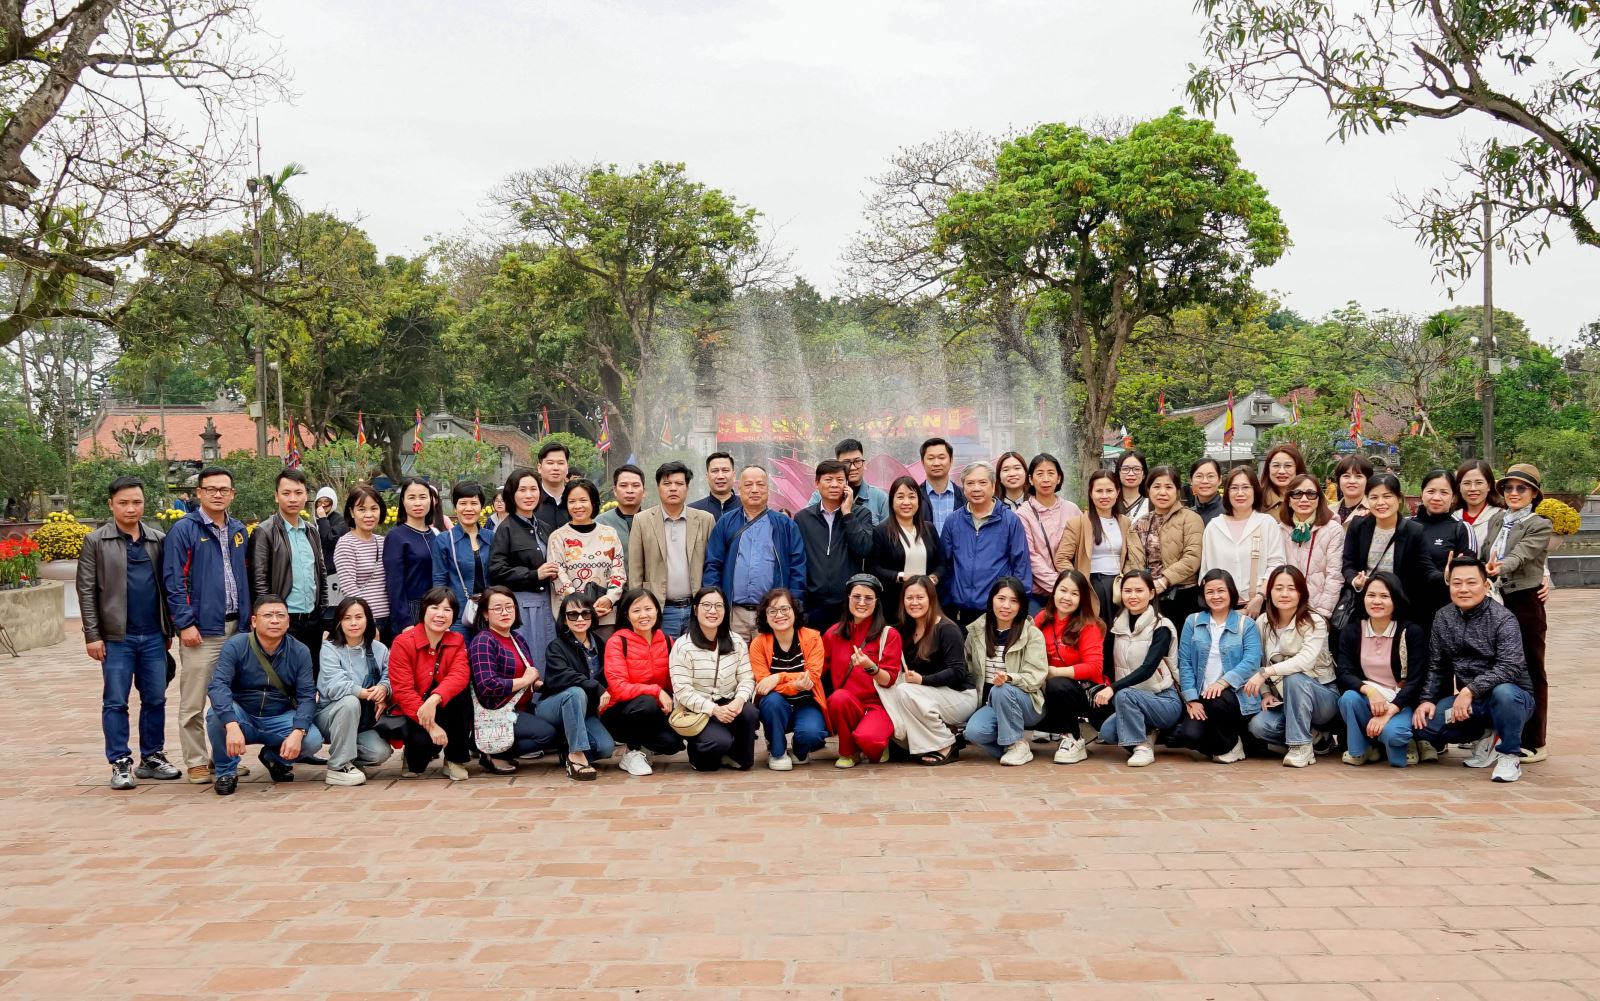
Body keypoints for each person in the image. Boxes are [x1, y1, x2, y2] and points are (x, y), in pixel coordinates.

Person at [78, 475, 178, 789]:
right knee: (115, 701)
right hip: (115, 638)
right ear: (111, 505)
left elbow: (168, 587)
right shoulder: (96, 541)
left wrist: (168, 628)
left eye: (136, 502)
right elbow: (86, 591)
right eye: (123, 503)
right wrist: (93, 635)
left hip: (153, 635)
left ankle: (152, 756)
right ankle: (120, 761)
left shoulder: (157, 540)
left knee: (155, 698)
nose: (131, 508)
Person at [163, 464, 251, 784]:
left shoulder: (239, 530)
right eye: (211, 489)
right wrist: (185, 623)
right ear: (199, 492)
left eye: (223, 489)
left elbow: (247, 577)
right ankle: (196, 761)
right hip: (202, 631)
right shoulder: (184, 530)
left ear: (232, 494)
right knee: (194, 701)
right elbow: (174, 581)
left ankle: (224, 760)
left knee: (229, 699)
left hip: (236, 629)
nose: (217, 494)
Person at [1413, 557, 1536, 783]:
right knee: (1425, 726)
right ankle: (1486, 735)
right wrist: (1427, 699)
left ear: (1485, 585)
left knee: (1504, 694)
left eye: (1471, 582)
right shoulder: (1443, 617)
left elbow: (1510, 666)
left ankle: (1509, 755)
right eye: (1457, 583)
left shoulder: (1503, 618)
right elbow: (1437, 664)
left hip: (1512, 698)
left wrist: (1470, 690)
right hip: (1473, 702)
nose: (1464, 589)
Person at [206, 594, 324, 795]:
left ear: (288, 621)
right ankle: (226, 771)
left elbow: (307, 696)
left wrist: (298, 732)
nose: (275, 620)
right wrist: (231, 725)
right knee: (216, 715)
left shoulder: (300, 651)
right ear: (254, 621)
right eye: (268, 615)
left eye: (280, 615)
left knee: (312, 739)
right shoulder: (236, 645)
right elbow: (218, 686)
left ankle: (274, 758)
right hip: (243, 714)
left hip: (279, 716)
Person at [1480, 463, 1553, 762]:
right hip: (1494, 598)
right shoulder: (1498, 519)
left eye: (1521, 488)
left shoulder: (1540, 524)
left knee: (1531, 668)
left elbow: (1523, 553)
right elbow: (1485, 552)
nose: (1513, 493)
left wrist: (1500, 567)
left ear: (1533, 493)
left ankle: (1535, 741)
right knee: (1495, 665)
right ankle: (1498, 735)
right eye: (1508, 488)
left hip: (1524, 600)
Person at [879, 574, 976, 765]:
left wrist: (923, 680)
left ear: (931, 599)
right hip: (929, 694)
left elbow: (957, 672)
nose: (914, 602)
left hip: (960, 696)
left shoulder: (947, 628)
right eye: (909, 598)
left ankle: (947, 743)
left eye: (920, 597)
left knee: (905, 691)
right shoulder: (905, 630)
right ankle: (911, 744)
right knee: (890, 690)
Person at [1334, 572, 1429, 767]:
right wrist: (1370, 691)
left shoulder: (1411, 632)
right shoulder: (1352, 631)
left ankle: (1402, 740)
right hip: (1369, 700)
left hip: (1399, 702)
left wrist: (1388, 713)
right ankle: (1363, 750)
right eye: (1371, 595)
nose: (1376, 601)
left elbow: (1416, 681)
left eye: (1384, 596)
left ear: (1396, 599)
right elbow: (1344, 673)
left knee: (1395, 741)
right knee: (1349, 698)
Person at [703, 466, 807, 641]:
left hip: (772, 614)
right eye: (748, 485)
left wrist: (792, 606)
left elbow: (798, 568)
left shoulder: (785, 525)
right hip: (734, 613)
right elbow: (713, 564)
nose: (754, 489)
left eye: (760, 484)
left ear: (768, 489)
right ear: (739, 489)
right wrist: (715, 603)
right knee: (733, 657)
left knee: (769, 658)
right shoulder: (726, 522)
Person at [1248, 566, 1338, 767]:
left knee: (1295, 677)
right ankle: (1316, 737)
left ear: (1301, 593)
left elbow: (1305, 660)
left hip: (1322, 695)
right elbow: (1258, 661)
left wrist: (1266, 673)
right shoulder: (1263, 622)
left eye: (1291, 588)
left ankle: (1301, 746)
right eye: (1278, 588)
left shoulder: (1315, 621)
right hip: (1284, 699)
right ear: (1270, 592)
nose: (1284, 594)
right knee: (1259, 726)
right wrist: (1265, 692)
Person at [465, 584, 558, 774]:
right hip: (498, 711)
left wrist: (544, 685)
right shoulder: (484, 640)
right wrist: (525, 681)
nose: (505, 612)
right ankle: (492, 750)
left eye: (509, 607)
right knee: (547, 735)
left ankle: (499, 747)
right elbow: (487, 686)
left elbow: (529, 680)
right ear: (485, 614)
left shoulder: (517, 639)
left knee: (560, 727)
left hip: (522, 707)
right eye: (497, 608)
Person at [1171, 569, 1261, 764]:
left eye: (1221, 590)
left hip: (1235, 696)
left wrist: (1223, 682)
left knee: (1216, 700)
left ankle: (1230, 744)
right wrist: (1192, 699)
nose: (1215, 596)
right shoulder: (1192, 621)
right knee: (1187, 736)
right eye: (1210, 591)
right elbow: (1185, 662)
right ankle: (1234, 742)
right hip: (1202, 697)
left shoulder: (1246, 624)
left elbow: (1252, 661)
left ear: (1231, 592)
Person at [1093, 570, 1181, 767]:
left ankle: (1142, 747)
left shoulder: (1162, 626)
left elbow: (1148, 669)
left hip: (1164, 700)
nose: (1133, 596)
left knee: (1123, 694)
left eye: (1139, 590)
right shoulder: (1118, 625)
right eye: (1128, 591)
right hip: (1132, 701)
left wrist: (1112, 688)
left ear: (1151, 593)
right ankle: (1150, 732)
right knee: (1107, 732)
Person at [962, 576, 1049, 765]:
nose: (1006, 606)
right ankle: (1016, 747)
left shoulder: (1031, 633)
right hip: (991, 703)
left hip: (1028, 702)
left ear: (1021, 605)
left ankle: (1015, 744)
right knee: (974, 732)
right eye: (1001, 598)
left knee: (1001, 690)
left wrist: (1009, 678)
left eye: (1013, 601)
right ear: (991, 600)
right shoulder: (976, 631)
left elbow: (1036, 676)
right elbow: (968, 670)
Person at [249, 468, 328, 674]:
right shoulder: (264, 531)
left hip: (312, 619)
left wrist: (322, 609)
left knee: (311, 675)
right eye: (286, 493)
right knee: (282, 676)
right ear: (276, 496)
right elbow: (259, 581)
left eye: (298, 492)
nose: (293, 498)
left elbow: (320, 572)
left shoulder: (311, 530)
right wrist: (269, 617)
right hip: (283, 619)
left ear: (306, 496)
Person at [390, 586, 473, 780]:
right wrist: (431, 726)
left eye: (447, 609)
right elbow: (403, 691)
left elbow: (460, 674)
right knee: (418, 761)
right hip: (413, 710)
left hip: (441, 706)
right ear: (424, 610)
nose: (440, 614)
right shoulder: (403, 642)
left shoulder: (457, 640)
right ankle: (412, 754)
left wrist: (434, 699)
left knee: (461, 695)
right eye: (435, 607)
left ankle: (454, 759)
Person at [670, 587, 757, 772]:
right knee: (714, 753)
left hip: (728, 703)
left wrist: (739, 700)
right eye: (706, 605)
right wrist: (714, 710)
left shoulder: (736, 641)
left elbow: (747, 678)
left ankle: (732, 753)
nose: (713, 611)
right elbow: (683, 691)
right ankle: (698, 753)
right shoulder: (683, 646)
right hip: (697, 710)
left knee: (749, 712)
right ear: (695, 609)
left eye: (719, 606)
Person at [629, 461, 715, 640]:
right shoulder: (642, 520)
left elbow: (712, 565)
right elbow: (636, 569)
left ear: (687, 487)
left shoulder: (705, 520)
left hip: (696, 609)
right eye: (667, 484)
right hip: (660, 610)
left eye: (679, 483)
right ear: (658, 487)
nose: (673, 488)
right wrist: (638, 607)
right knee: (662, 656)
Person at [823, 574, 903, 768]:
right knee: (837, 698)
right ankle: (849, 752)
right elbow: (818, 671)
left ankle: (874, 742)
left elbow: (889, 680)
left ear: (876, 602)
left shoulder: (889, 634)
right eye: (856, 597)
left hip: (879, 705)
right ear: (848, 599)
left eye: (868, 598)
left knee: (870, 741)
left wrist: (870, 666)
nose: (861, 602)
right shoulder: (833, 633)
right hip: (848, 705)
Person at [603, 589, 684, 775]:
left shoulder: (666, 640)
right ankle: (632, 752)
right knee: (646, 703)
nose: (643, 615)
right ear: (627, 615)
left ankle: (643, 748)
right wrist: (656, 691)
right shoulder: (617, 642)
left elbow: (672, 682)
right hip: (619, 712)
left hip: (653, 709)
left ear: (657, 610)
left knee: (672, 743)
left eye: (648, 609)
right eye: (636, 610)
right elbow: (618, 688)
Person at [538, 592, 619, 780]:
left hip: (585, 711)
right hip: (552, 706)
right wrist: (596, 688)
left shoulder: (601, 644)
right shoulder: (556, 646)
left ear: (592, 616)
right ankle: (576, 755)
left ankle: (566, 748)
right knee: (575, 692)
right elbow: (564, 676)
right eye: (573, 614)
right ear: (565, 620)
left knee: (605, 748)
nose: (580, 619)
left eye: (585, 613)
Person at [940, 461, 1031, 626]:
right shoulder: (952, 521)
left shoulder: (1010, 521)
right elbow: (945, 566)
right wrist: (946, 605)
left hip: (997, 611)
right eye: (970, 483)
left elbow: (1021, 566)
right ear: (963, 487)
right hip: (960, 611)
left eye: (982, 482)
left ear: (993, 486)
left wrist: (1019, 607)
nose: (976, 488)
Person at [315, 596, 395, 786]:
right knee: (350, 701)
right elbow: (335, 685)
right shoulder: (329, 648)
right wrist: (369, 694)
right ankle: (338, 767)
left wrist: (383, 689)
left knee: (380, 753)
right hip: (330, 715)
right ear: (339, 622)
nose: (353, 623)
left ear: (368, 619)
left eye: (359, 617)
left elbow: (390, 676)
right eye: (347, 618)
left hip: (363, 720)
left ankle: (350, 759)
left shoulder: (379, 649)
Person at [488, 467, 561, 666]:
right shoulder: (505, 528)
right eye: (522, 490)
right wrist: (534, 574)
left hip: (548, 602)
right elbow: (496, 570)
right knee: (529, 659)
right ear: (511, 494)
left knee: (549, 657)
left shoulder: (543, 527)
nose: (529, 495)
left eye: (533, 489)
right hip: (522, 605)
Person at [1032, 570, 1106, 764]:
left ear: (1082, 599)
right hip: (1048, 687)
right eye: (1063, 590)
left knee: (1058, 684)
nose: (1067, 597)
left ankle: (1073, 737)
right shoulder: (1042, 618)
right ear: (1054, 591)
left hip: (1084, 691)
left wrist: (1055, 672)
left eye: (1074, 593)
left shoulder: (1089, 625)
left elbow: (1094, 668)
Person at [749, 587, 827, 770]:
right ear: (765, 615)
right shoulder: (758, 644)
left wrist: (777, 678)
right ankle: (777, 752)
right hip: (775, 707)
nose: (779, 615)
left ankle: (800, 750)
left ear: (794, 610)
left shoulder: (813, 637)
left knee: (812, 733)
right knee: (772, 701)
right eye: (772, 611)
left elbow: (812, 676)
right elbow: (763, 685)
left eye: (785, 609)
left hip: (806, 703)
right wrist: (795, 685)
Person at [794, 459, 874, 631]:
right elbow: (797, 560)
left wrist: (848, 514)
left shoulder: (861, 514)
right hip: (813, 604)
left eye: (840, 480)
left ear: (847, 484)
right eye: (828, 479)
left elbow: (864, 549)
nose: (834, 485)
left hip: (848, 604)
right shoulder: (802, 518)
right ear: (817, 483)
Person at [1058, 469, 1144, 624]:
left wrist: (1127, 579)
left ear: (1118, 492)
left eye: (1109, 491)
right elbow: (1062, 559)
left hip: (1119, 585)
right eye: (1099, 491)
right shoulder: (1077, 523)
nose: (1104, 496)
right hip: (1092, 585)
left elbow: (1131, 557)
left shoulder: (1125, 522)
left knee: (1120, 629)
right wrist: (1077, 582)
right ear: (1091, 493)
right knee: (1095, 629)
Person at [1199, 466, 1286, 617]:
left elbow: (1277, 564)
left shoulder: (1267, 523)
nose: (1240, 493)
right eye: (1234, 488)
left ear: (1255, 491)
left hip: (1261, 607)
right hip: (1223, 609)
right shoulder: (1214, 527)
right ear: (1227, 492)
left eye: (1246, 487)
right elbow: (1206, 571)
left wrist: (1260, 596)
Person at [547, 478, 626, 640]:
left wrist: (609, 598)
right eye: (572, 501)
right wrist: (583, 608)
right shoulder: (558, 537)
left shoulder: (609, 534)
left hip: (605, 615)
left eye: (583, 500)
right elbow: (558, 577)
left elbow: (618, 572)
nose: (578, 506)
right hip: (573, 618)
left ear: (593, 502)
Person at [1341, 472, 1426, 623]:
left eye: (1387, 496)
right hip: (1364, 604)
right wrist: (1355, 581)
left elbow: (1422, 572)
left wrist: (1447, 576)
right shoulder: (1358, 525)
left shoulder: (1414, 531)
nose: (1380, 502)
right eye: (1374, 497)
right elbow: (1348, 564)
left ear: (1399, 498)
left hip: (1400, 607)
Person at [1134, 465, 1204, 624]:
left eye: (1168, 487)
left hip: (1182, 596)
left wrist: (1163, 581)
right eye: (1157, 487)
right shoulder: (1140, 523)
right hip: (1148, 596)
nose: (1162, 492)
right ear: (1148, 490)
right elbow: (1133, 559)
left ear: (1177, 490)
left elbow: (1193, 557)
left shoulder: (1191, 518)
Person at [868, 475, 945, 614]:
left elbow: (941, 564)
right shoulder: (881, 531)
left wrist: (933, 578)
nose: (906, 502)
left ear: (919, 501)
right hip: (894, 604)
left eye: (912, 497)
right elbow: (873, 568)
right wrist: (901, 576)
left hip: (927, 601)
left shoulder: (929, 528)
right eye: (900, 497)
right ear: (892, 501)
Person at [1412, 469, 1478, 629]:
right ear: (1422, 493)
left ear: (1453, 496)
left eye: (1444, 492)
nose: (1436, 497)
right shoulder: (1406, 525)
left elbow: (1469, 572)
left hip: (1447, 612)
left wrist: (1451, 575)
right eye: (1431, 491)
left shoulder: (1461, 528)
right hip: (1409, 610)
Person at [1017, 453, 1081, 614]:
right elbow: (1031, 557)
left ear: (1059, 478)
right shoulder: (1023, 514)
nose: (1045, 479)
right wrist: (1061, 586)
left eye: (1051, 473)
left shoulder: (1072, 509)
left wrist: (1071, 588)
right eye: (1039, 474)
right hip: (1039, 595)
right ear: (1031, 479)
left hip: (1071, 594)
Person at [1277, 472, 1345, 619]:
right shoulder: (1279, 530)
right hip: (1284, 611)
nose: (1304, 499)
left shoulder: (1333, 529)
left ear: (1319, 498)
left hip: (1318, 612)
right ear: (1289, 500)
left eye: (1311, 494)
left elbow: (1334, 575)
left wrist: (1321, 613)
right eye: (1297, 494)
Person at [431, 481, 494, 635]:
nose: (468, 508)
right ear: (455, 507)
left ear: (481, 506)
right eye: (463, 503)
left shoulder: (492, 537)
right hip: (458, 615)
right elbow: (439, 581)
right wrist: (442, 615)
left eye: (474, 503)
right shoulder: (444, 540)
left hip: (490, 614)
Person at [383, 477, 438, 638]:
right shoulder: (396, 537)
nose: (418, 503)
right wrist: (405, 622)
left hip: (436, 608)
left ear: (431, 500)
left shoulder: (435, 535)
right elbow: (394, 584)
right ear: (403, 501)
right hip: (410, 611)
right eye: (411, 497)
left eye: (423, 497)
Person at [334, 485, 389, 637]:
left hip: (390, 618)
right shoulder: (346, 544)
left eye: (374, 508)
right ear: (352, 512)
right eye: (362, 509)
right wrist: (369, 621)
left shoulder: (384, 542)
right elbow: (349, 587)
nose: (369, 515)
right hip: (365, 621)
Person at [807, 438, 890, 524]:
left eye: (857, 461)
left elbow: (889, 531)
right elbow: (806, 523)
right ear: (837, 465)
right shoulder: (820, 496)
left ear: (864, 463)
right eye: (846, 463)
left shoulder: (880, 498)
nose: (853, 468)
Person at [1453, 458, 1505, 550]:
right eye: (1467, 483)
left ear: (1489, 486)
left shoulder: (1502, 518)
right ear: (1459, 487)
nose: (1473, 488)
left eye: (1479, 483)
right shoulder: (1451, 516)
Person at [918, 437, 965, 534]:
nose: (936, 463)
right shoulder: (914, 497)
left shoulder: (965, 496)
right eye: (931, 458)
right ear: (922, 462)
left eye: (941, 458)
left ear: (951, 460)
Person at [598, 463, 645, 559]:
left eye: (635, 485)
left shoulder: (654, 522)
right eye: (623, 485)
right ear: (615, 491)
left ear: (644, 491)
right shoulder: (600, 523)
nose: (630, 490)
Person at [531, 441, 572, 533]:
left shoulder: (577, 501)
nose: (556, 468)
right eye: (550, 463)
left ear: (567, 468)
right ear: (539, 468)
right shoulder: (530, 501)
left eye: (561, 463)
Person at [1259, 443, 1307, 517]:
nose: (1282, 471)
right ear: (1268, 468)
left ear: (1298, 468)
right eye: (1276, 465)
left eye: (1288, 466)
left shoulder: (1312, 496)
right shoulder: (1257, 498)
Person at [690, 451, 740, 520]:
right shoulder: (693, 511)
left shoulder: (747, 507)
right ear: (707, 477)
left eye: (725, 470)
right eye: (715, 471)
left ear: (734, 476)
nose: (720, 476)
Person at [1332, 455, 1373, 525]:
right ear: (1338, 480)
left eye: (1358, 476)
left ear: (1368, 480)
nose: (1352, 481)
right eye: (1346, 476)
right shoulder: (1328, 511)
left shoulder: (1375, 511)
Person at [314, 486, 347, 569]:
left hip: (333, 569)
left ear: (333, 502)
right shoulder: (316, 520)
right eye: (319, 502)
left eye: (326, 501)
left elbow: (329, 540)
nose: (323, 505)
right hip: (318, 568)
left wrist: (323, 518)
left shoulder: (340, 521)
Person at [1116, 450, 1150, 523]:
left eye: (1137, 469)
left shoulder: (1151, 504)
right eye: (1125, 469)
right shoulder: (1110, 502)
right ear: (1118, 473)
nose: (1131, 473)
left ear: (1144, 474)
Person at [1187, 457, 1225, 525]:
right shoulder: (1187, 515)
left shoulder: (1231, 511)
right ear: (1190, 481)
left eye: (1210, 476)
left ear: (1220, 480)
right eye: (1199, 476)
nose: (1205, 481)